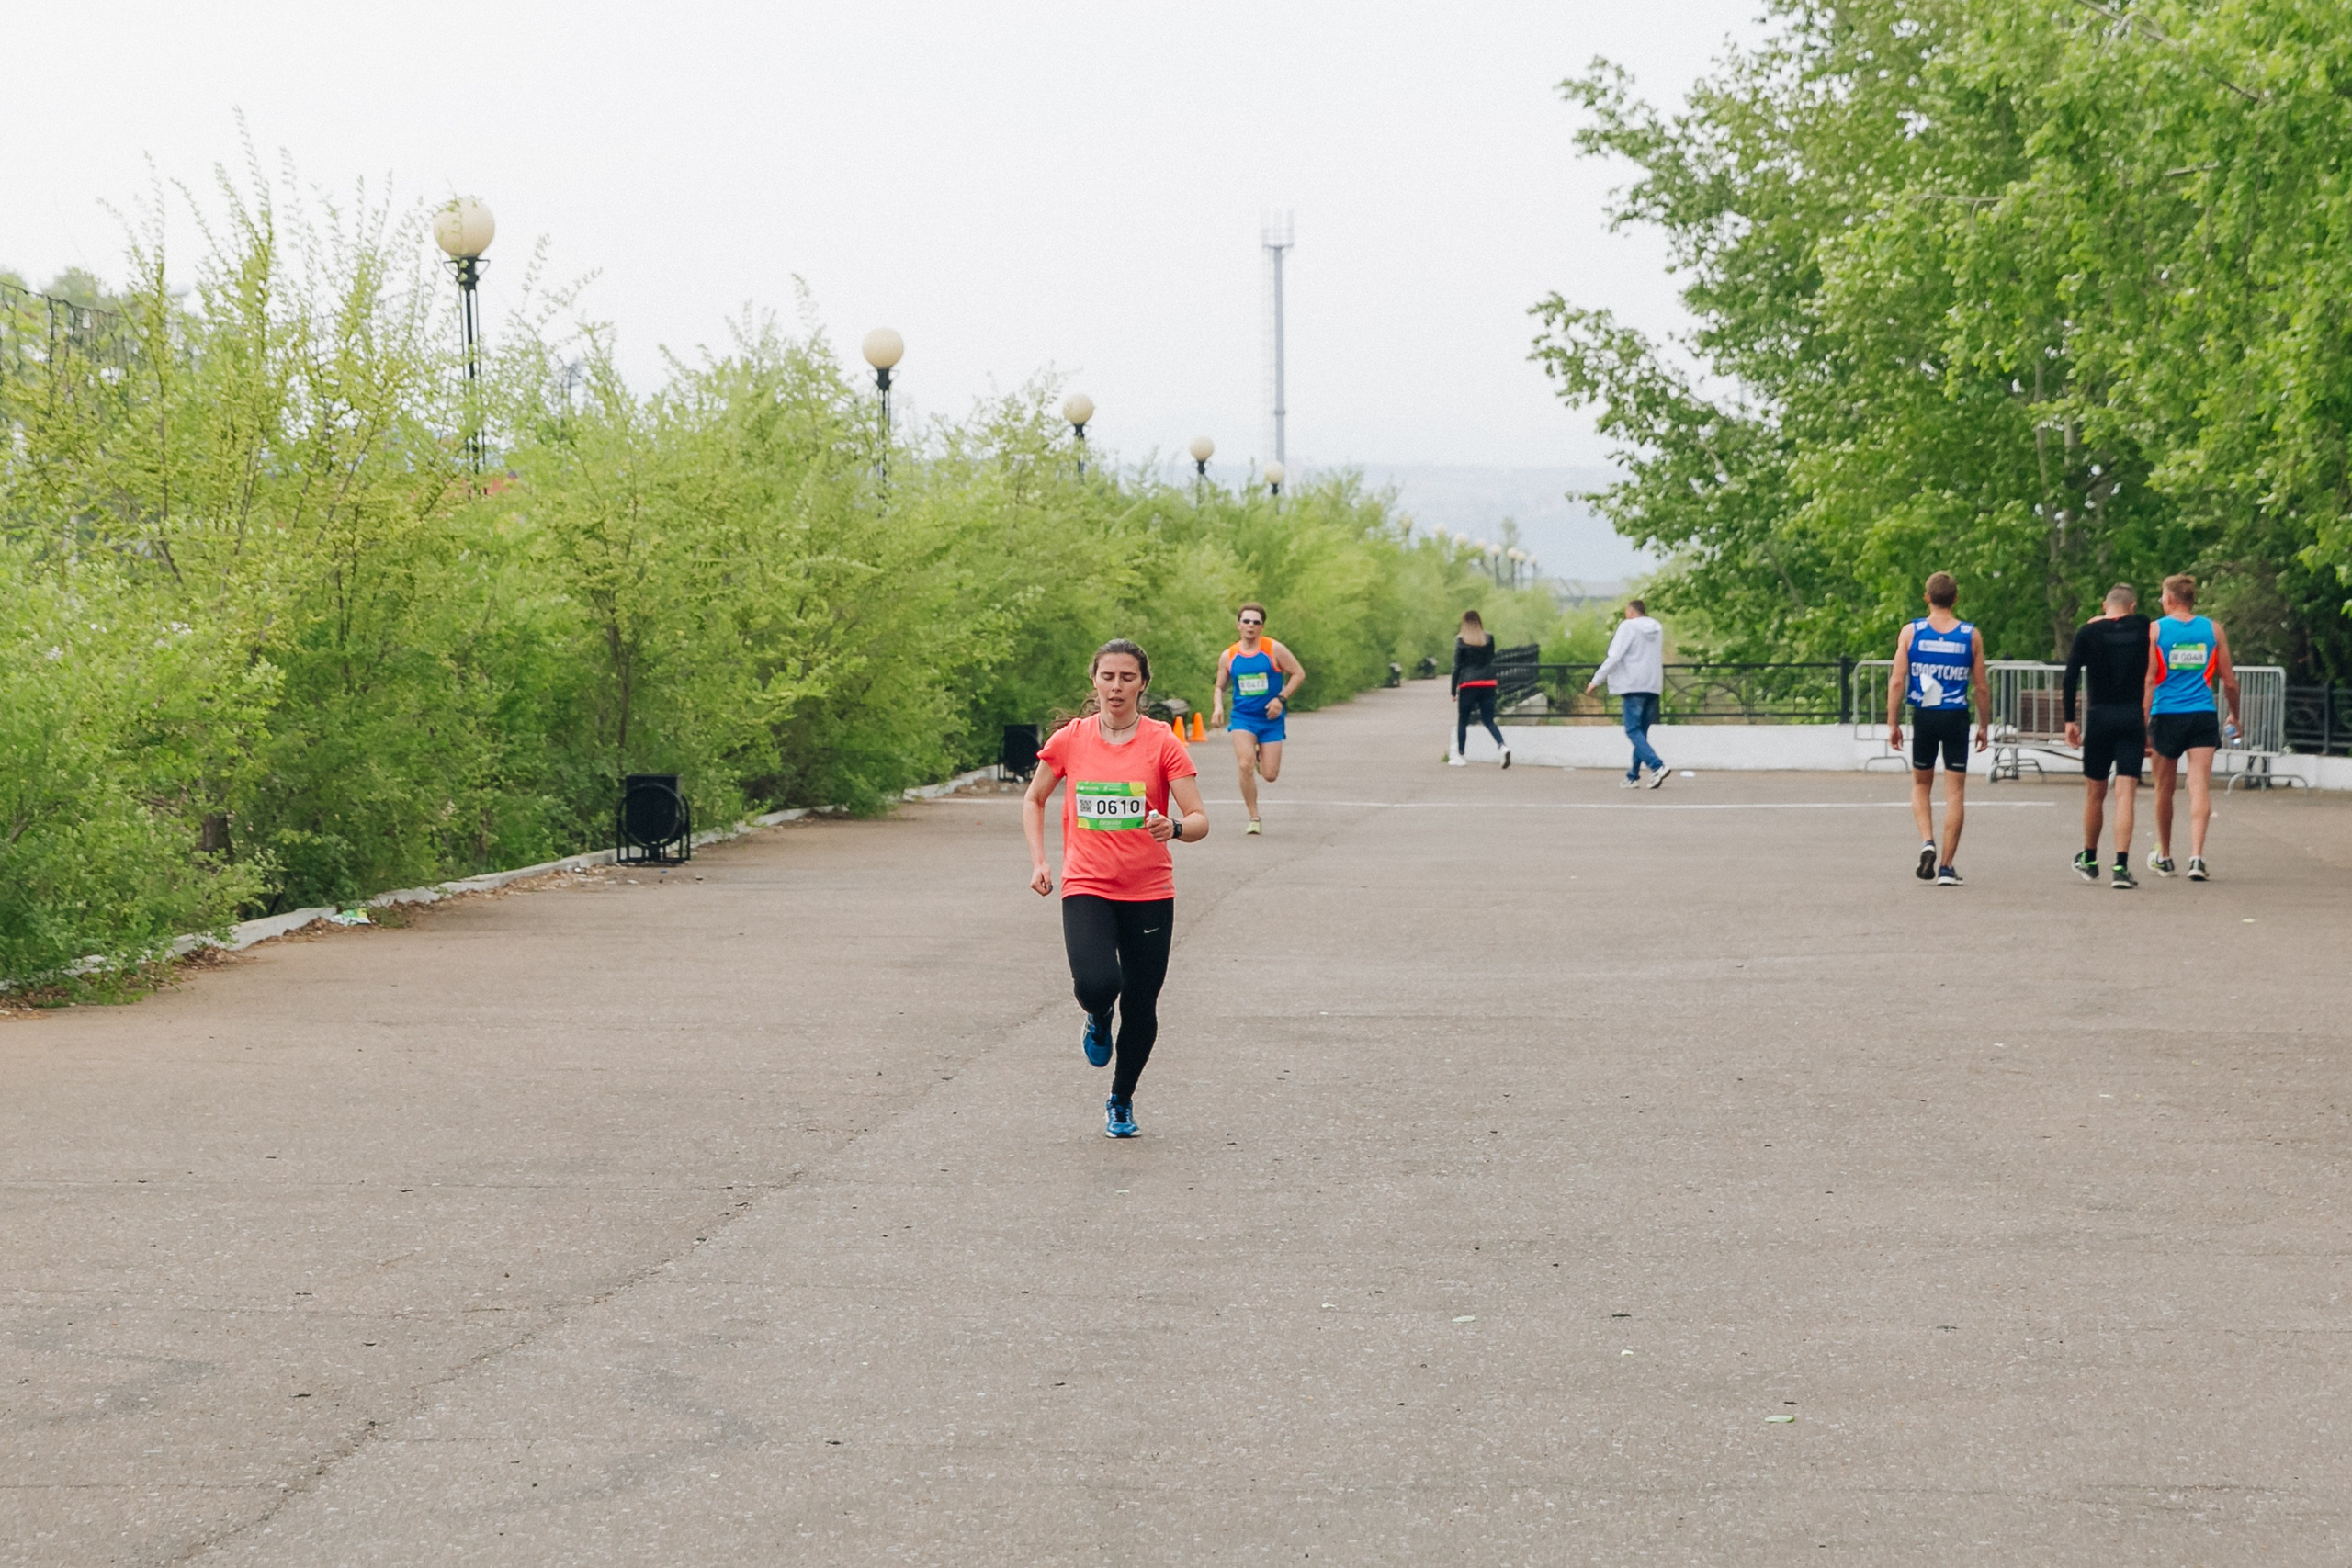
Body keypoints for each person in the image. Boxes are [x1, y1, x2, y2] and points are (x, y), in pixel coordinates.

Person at [1024, 639, 1209, 1138]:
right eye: (1108, 677)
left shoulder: (1163, 742)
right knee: (1098, 985)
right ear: (1095, 681)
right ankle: (1097, 1014)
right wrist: (1041, 861)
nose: (1116, 687)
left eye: (1127, 678)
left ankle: (1121, 1099)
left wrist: (1172, 827)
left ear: (1143, 684)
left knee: (1143, 1005)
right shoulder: (1071, 739)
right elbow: (1035, 797)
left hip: (1149, 890)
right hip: (1086, 883)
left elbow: (1199, 820)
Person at [1886, 571, 1989, 886]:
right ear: (1955, 599)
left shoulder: (1911, 632)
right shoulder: (1971, 635)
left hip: (1925, 714)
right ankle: (1946, 866)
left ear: (1927, 598)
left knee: (1921, 785)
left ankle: (1927, 841)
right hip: (1956, 716)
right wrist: (1984, 725)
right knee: (1955, 791)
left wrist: (1892, 722)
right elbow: (1981, 687)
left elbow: (1897, 681)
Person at [2143, 573, 2239, 881]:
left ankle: (2166, 856)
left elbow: (2148, 679)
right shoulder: (2213, 630)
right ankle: (2196, 858)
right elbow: (2230, 682)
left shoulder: (2155, 630)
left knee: (2164, 789)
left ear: (2170, 599)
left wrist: (2142, 722)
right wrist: (2234, 716)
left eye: (2162, 595)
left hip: (2166, 713)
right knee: (2198, 785)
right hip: (2202, 713)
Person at [2062, 584, 2152, 889]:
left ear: (2103, 605)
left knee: (2095, 794)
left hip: (2099, 717)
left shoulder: (2088, 634)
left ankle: (2089, 858)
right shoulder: (2142, 627)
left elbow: (2071, 675)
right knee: (2125, 795)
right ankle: (2121, 866)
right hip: (2131, 717)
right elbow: (2141, 625)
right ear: (2133, 606)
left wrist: (2069, 721)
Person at [1210, 603, 1306, 835]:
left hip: (1270, 719)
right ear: (1238, 625)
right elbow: (1220, 686)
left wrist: (1280, 699)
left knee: (1270, 775)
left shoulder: (1274, 649)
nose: (1251, 626)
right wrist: (1217, 707)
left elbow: (1298, 673)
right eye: (1246, 621)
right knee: (1245, 764)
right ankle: (1254, 816)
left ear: (1262, 626)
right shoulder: (1229, 655)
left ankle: (1260, 758)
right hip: (1243, 718)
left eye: (1256, 622)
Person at [1586, 599, 1668, 788]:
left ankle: (1657, 765)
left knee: (1632, 730)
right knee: (1641, 733)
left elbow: (1614, 656)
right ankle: (1633, 776)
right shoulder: (1656, 627)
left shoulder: (1628, 627)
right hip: (1653, 685)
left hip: (1632, 685)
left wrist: (1596, 680)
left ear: (1630, 612)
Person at [1448, 610, 1509, 767]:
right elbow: (1491, 659)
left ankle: (1460, 755)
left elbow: (1457, 667)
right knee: (1489, 720)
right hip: (1488, 683)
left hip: (1468, 684)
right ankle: (1502, 746)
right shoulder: (1488, 638)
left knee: (1463, 720)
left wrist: (1453, 690)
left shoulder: (1461, 641)